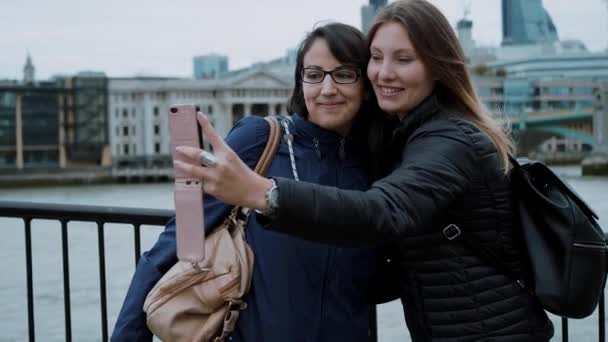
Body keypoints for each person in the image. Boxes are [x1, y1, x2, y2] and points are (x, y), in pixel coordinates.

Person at [173, 0, 555, 341]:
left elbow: (383, 212)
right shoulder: (398, 140)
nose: (384, 73)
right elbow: (181, 235)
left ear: (438, 67)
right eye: (376, 57)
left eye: (403, 59)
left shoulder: (448, 139)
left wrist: (264, 194)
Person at [111, 22, 398, 342]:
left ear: (366, 85)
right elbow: (182, 236)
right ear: (300, 82)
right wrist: (128, 336)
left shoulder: (376, 162)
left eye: (344, 74)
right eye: (314, 75)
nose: (327, 89)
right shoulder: (260, 139)